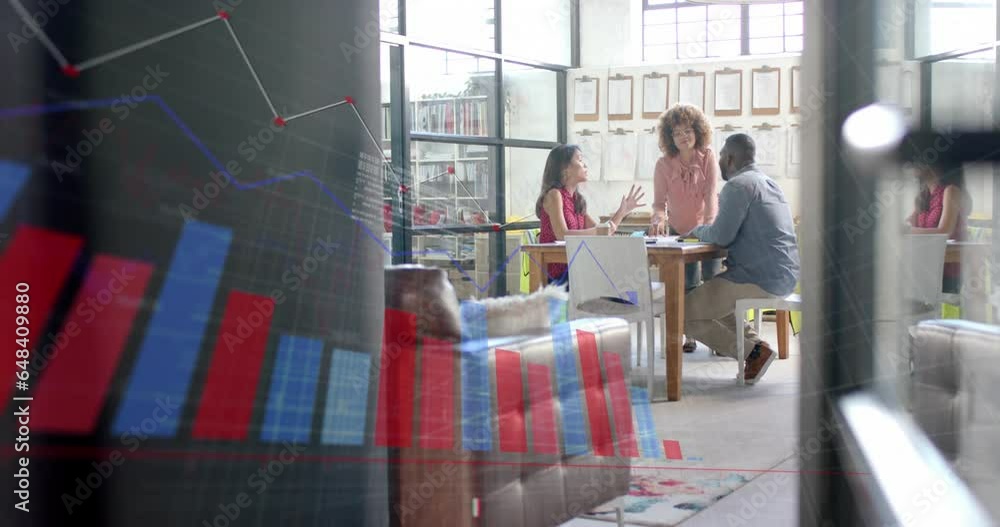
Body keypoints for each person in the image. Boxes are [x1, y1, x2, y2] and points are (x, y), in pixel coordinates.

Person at [682, 134, 800, 385]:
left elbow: (721, 236)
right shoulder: (769, 183)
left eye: (722, 156)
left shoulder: (738, 186)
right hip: (785, 276)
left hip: (758, 277)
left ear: (731, 158)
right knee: (712, 300)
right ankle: (757, 347)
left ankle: (753, 353)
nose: (720, 162)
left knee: (680, 313)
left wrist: (697, 230)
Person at [648, 104, 722, 352]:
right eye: (677, 132)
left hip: (708, 230)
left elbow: (711, 194)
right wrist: (658, 219)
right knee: (688, 285)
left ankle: (718, 338)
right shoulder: (663, 165)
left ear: (698, 131)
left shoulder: (708, 156)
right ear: (670, 137)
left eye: (688, 130)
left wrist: (709, 229)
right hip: (679, 233)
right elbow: (659, 204)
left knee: (712, 283)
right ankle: (691, 334)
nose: (684, 136)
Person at [536, 144, 646, 286]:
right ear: (565, 168)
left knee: (624, 278)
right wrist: (599, 231)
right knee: (619, 282)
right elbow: (561, 235)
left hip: (578, 267)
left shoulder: (577, 199)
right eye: (580, 160)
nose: (585, 165)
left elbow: (605, 230)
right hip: (560, 274)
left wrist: (622, 211)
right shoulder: (554, 195)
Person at [906, 160, 972, 293]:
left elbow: (944, 231)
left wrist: (906, 230)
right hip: (927, 265)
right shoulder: (922, 196)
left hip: (948, 269)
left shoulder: (951, 191)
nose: (912, 166)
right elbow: (908, 223)